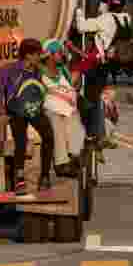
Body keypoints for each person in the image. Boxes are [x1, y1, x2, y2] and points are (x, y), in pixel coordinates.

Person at [74, 0, 133, 146]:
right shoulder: (127, 18)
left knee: (90, 99)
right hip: (113, 66)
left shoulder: (105, 19)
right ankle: (99, 133)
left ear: (108, 4)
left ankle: (93, 134)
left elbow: (81, 27)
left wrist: (79, 11)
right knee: (99, 98)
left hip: (98, 65)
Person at [1, 38, 55, 194]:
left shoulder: (37, 70)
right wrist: (2, 110)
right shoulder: (10, 69)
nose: (39, 57)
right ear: (28, 55)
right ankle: (19, 179)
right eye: (37, 54)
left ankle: (44, 176)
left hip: (34, 110)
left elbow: (50, 78)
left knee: (48, 136)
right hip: (17, 111)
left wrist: (40, 67)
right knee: (21, 142)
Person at [40, 39, 85, 178]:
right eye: (59, 52)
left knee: (74, 120)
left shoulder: (62, 70)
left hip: (67, 108)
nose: (62, 55)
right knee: (56, 123)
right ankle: (61, 164)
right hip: (50, 109)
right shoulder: (40, 72)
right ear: (50, 55)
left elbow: (71, 85)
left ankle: (74, 155)